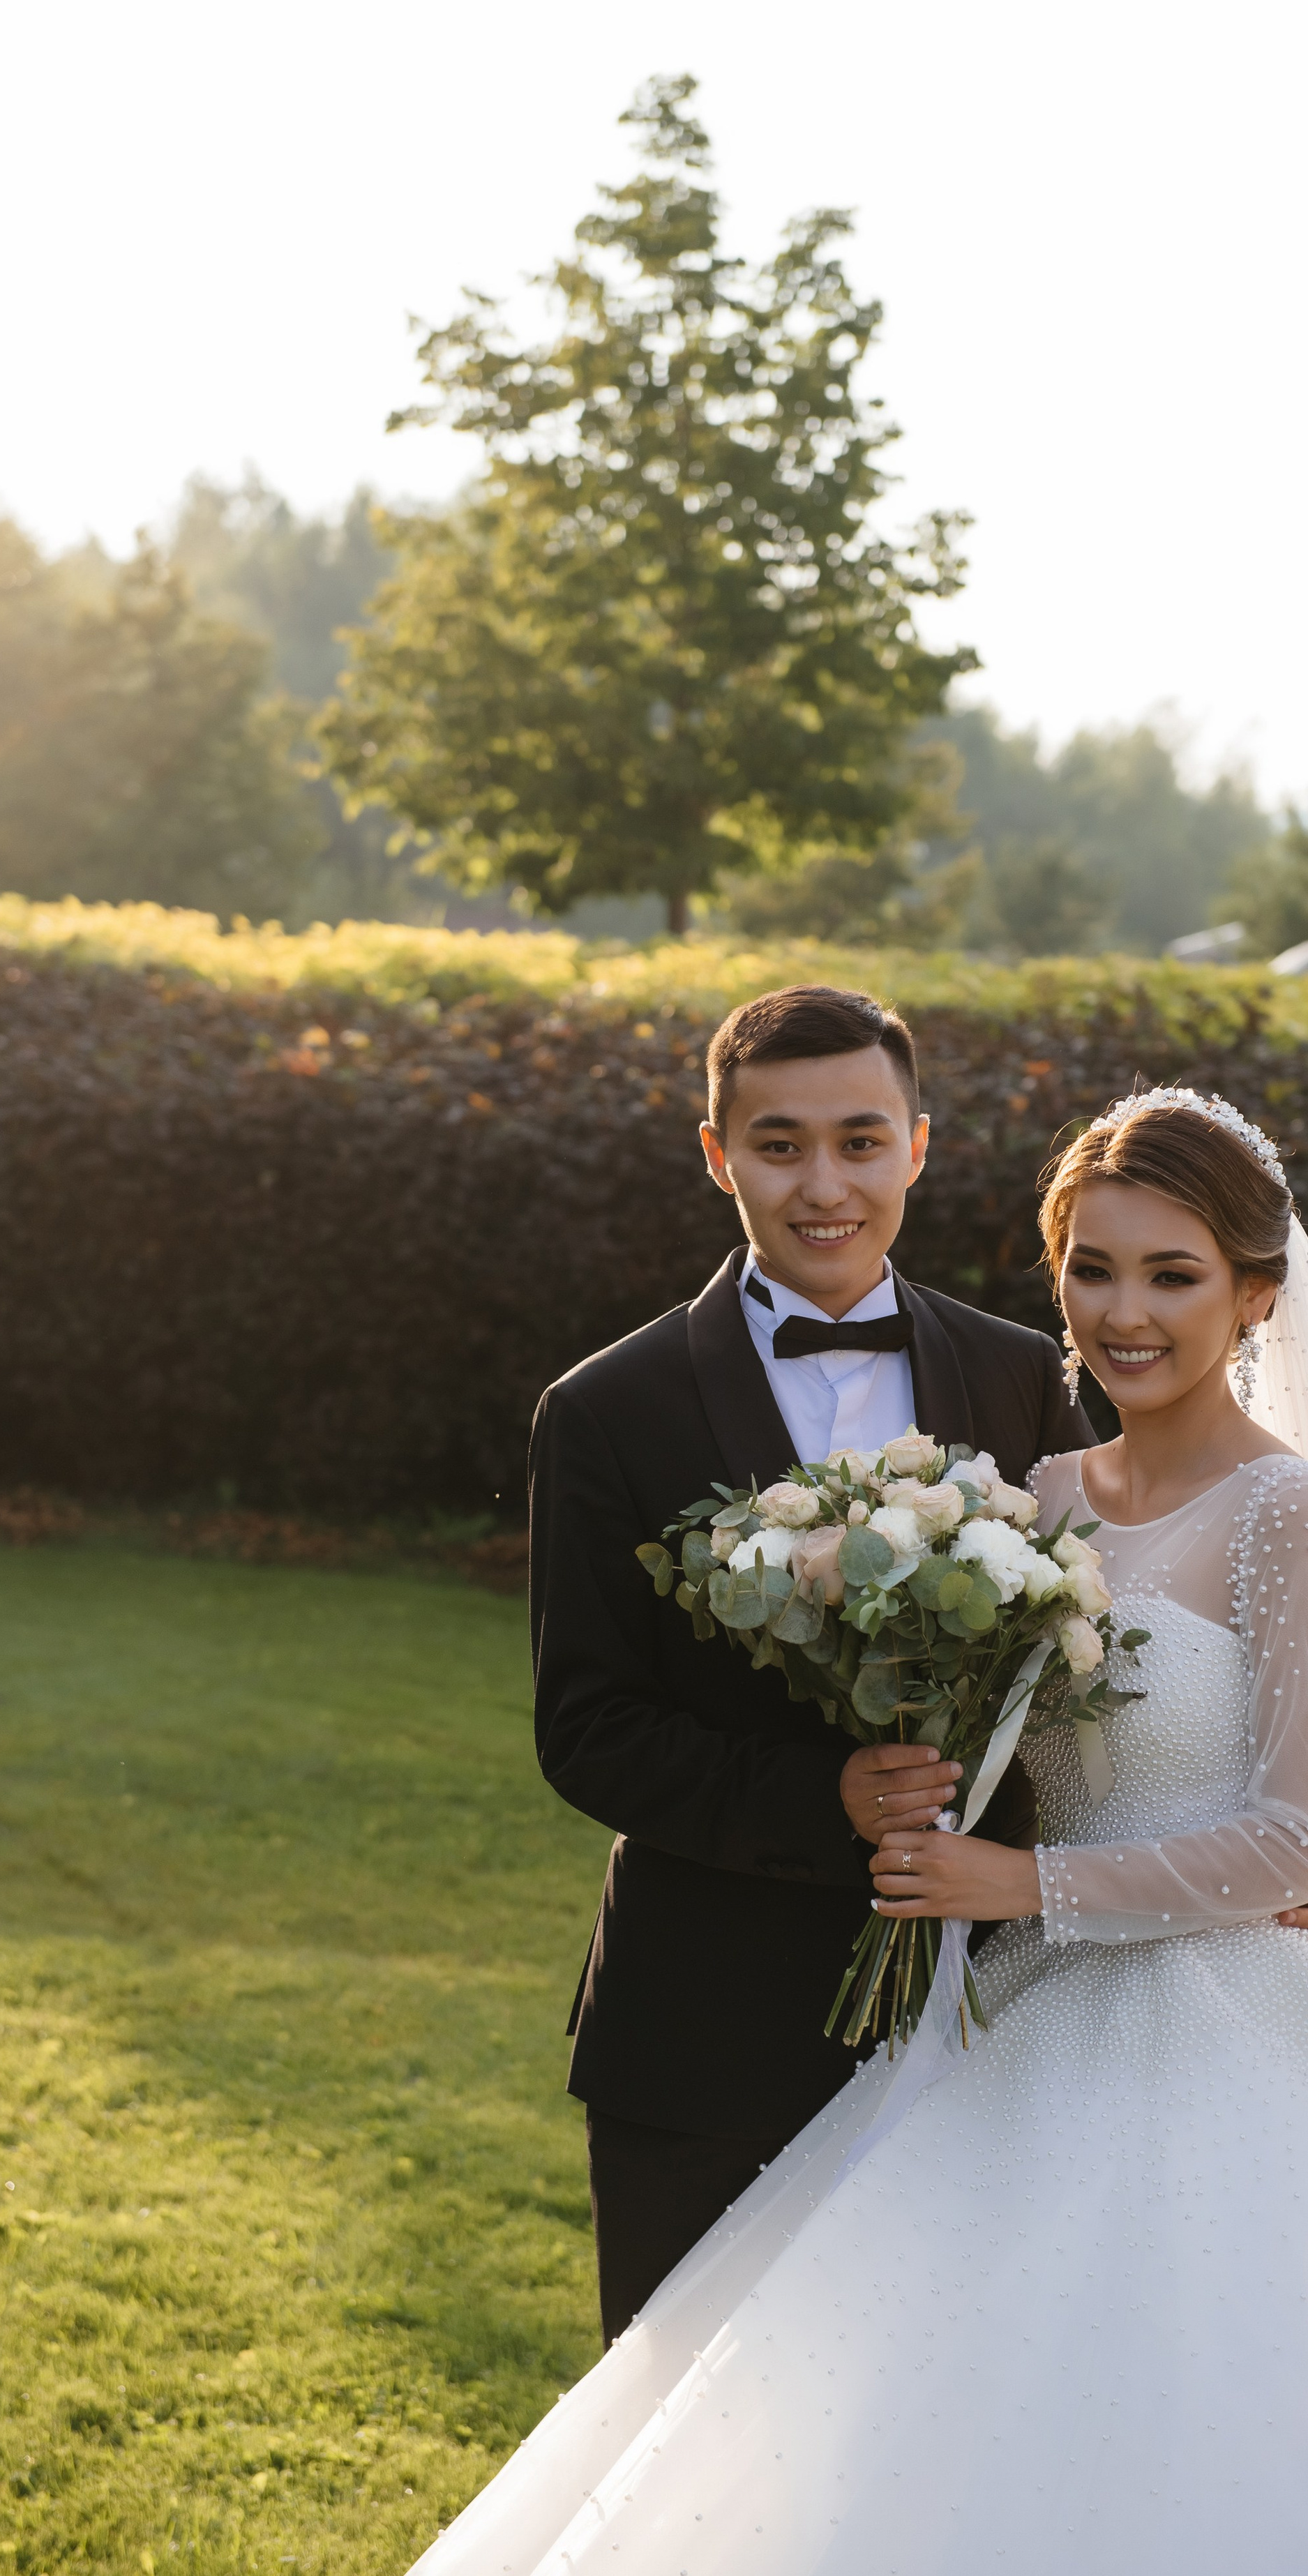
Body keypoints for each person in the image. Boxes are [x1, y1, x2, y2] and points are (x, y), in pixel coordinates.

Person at [416, 1084, 1308, 2575]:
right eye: (1092, 1266)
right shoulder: (1035, 1501)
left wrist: (1010, 1876)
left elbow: (1293, 1846)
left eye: (1172, 1274)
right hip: (1017, 2022)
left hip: (1227, 2029)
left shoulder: (1287, 1513)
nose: (1124, 1312)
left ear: (1254, 1294)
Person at [527, 983, 1106, 2349]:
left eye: (859, 1139)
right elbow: (587, 1726)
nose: (822, 1182)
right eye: (778, 1144)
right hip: (700, 2034)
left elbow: (1082, 1664)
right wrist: (824, 1797)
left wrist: (1231, 1859)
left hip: (978, 2024)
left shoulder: (1020, 1373)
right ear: (717, 1153)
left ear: (916, 1144)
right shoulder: (607, 1408)